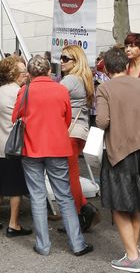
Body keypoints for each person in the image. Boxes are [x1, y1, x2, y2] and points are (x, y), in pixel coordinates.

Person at [13, 56, 92, 257]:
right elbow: (66, 119)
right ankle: (77, 244)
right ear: (49, 71)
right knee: (64, 196)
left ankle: (43, 245)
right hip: (58, 148)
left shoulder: (25, 90)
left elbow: (15, 117)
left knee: (38, 196)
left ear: (29, 74)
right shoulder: (60, 90)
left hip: (31, 149)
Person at [95, 47, 140, 272]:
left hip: (120, 150)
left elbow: (102, 121)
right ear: (126, 65)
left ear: (107, 68)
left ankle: (132, 257)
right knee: (137, 202)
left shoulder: (104, 88)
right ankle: (134, 250)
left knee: (119, 204)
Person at [0, 56, 32, 236]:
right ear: (13, 74)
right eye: (22, 72)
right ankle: (13, 224)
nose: (26, 75)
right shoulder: (18, 92)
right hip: (12, 148)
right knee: (16, 188)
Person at [58, 44, 100, 230]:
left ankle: (81, 211)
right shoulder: (83, 78)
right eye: (61, 57)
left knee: (69, 176)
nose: (61, 61)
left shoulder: (71, 80)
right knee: (70, 174)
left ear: (76, 60)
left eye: (66, 58)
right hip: (79, 131)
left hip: (70, 132)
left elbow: (52, 98)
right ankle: (79, 212)